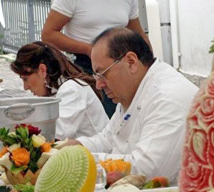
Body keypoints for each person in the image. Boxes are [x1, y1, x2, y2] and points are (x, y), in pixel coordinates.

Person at [63, 27, 199, 184]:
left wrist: (78, 160)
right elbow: (108, 140)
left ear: (131, 62)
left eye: (102, 74)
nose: (99, 85)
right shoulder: (132, 92)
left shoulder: (168, 96)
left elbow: (145, 171)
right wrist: (73, 146)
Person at [41, 0, 150, 117]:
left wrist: (151, 66)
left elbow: (138, 34)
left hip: (121, 64)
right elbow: (48, 35)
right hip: (84, 64)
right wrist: (89, 49)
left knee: (130, 115)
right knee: (103, 116)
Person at [10, 41, 109, 140]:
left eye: (25, 79)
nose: (25, 87)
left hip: (99, 153)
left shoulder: (71, 89)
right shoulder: (59, 88)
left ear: (42, 70)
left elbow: (57, 134)